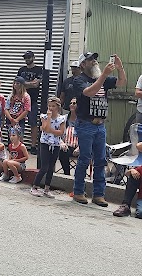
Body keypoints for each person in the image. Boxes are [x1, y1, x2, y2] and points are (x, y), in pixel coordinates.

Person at [70, 52, 127, 206]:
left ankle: (98, 195)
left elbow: (122, 82)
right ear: (83, 65)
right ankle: (78, 192)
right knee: (84, 159)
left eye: (95, 59)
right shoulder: (79, 80)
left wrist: (120, 67)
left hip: (100, 125)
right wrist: (104, 75)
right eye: (90, 60)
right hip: (85, 124)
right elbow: (89, 92)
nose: (94, 61)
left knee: (101, 160)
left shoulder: (101, 77)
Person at [31, 97, 66, 198]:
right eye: (49, 106)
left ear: (57, 107)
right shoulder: (44, 117)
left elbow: (61, 132)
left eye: (53, 106)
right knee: (44, 166)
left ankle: (47, 188)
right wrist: (49, 118)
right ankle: (35, 186)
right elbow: (45, 128)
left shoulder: (61, 118)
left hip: (55, 144)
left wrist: (51, 131)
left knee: (51, 167)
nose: (51, 108)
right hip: (45, 143)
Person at [18, 51, 44, 145]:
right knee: (19, 123)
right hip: (20, 101)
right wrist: (30, 84)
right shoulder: (21, 70)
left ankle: (33, 145)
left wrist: (24, 84)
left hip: (33, 101)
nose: (27, 59)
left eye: (29, 57)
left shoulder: (38, 70)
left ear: (33, 58)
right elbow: (18, 85)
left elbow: (36, 84)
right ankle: (18, 144)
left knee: (33, 124)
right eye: (25, 57)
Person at [57, 98, 79, 176]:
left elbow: (87, 136)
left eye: (74, 103)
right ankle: (67, 174)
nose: (71, 105)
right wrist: (61, 143)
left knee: (85, 154)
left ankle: (78, 175)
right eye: (70, 103)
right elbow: (57, 133)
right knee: (62, 152)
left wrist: (80, 147)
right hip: (66, 145)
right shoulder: (64, 118)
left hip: (79, 146)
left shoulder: (82, 120)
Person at [4, 76, 30, 141]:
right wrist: (11, 119)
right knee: (10, 138)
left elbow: (26, 110)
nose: (15, 85)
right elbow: (6, 108)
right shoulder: (11, 95)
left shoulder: (26, 96)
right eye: (14, 83)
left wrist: (17, 120)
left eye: (17, 83)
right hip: (10, 118)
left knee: (19, 138)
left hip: (20, 119)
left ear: (22, 85)